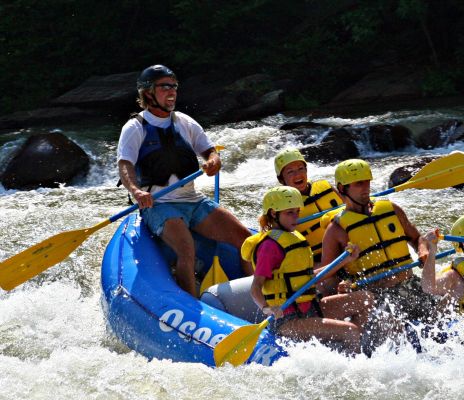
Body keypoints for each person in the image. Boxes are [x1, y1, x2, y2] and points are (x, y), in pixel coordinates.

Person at [117, 64, 252, 297]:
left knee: (246, 239)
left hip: (193, 200)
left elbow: (210, 151)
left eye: (174, 86)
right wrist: (136, 191)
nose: (172, 91)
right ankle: (192, 303)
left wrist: (213, 160)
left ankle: (257, 296)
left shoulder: (185, 122)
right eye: (165, 87)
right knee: (186, 249)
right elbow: (125, 165)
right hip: (159, 204)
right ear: (148, 92)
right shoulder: (135, 127)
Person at [243, 185, 374, 355]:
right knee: (351, 331)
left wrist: (346, 260)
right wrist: (266, 308)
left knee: (366, 299)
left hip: (310, 309)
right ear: (274, 214)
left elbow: (309, 278)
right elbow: (255, 288)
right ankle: (353, 362)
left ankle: (349, 350)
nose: (296, 217)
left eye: (297, 212)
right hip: (287, 320)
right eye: (289, 213)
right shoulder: (270, 246)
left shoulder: (295, 238)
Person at [318, 159, 437, 325]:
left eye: (367, 182)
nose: (366, 188)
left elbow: (418, 239)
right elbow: (325, 276)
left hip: (409, 286)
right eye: (359, 184)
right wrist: (342, 283)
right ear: (342, 189)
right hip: (376, 297)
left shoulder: (392, 209)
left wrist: (423, 250)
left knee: (441, 324)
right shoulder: (336, 230)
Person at [273, 148, 342, 264]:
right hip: (315, 261)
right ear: (281, 179)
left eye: (301, 168)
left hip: (346, 249)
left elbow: (351, 206)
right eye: (290, 172)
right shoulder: (281, 207)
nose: (298, 174)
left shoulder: (325, 186)